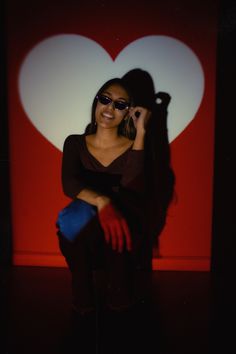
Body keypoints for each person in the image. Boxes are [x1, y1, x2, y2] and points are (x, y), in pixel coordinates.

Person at [57, 77, 153, 319]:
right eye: (105, 99)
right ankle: (82, 289)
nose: (110, 108)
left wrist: (140, 133)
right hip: (89, 219)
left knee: (120, 216)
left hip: (124, 218)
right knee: (72, 219)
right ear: (96, 102)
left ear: (128, 112)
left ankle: (119, 289)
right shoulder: (75, 143)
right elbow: (69, 184)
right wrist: (103, 201)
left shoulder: (135, 145)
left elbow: (133, 187)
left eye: (120, 105)